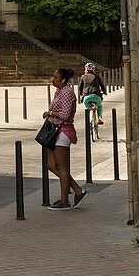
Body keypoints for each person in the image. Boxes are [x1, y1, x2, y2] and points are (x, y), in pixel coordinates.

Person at [43, 67, 87, 210]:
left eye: (56, 77)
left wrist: (50, 113)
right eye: (53, 76)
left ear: (63, 80)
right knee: (50, 165)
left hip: (62, 131)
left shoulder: (67, 92)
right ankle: (77, 189)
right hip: (53, 131)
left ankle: (65, 200)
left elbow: (66, 114)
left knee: (61, 165)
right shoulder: (59, 91)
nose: (53, 79)